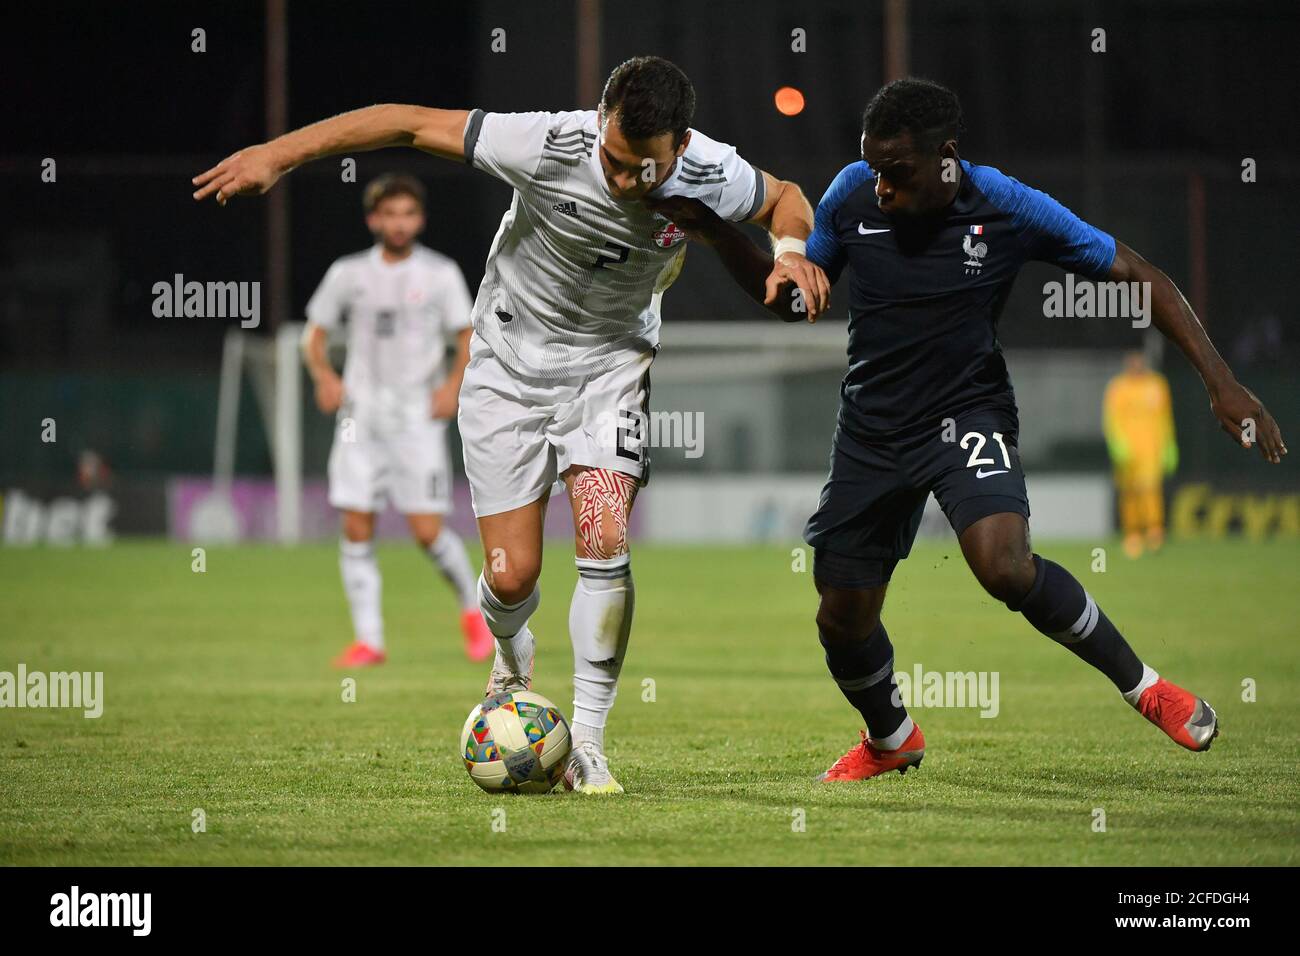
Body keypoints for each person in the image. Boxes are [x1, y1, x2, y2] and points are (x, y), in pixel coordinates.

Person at [194, 56, 830, 793]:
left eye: (642, 171)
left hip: (610, 369)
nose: (623, 181)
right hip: (505, 368)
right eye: (614, 160)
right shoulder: (547, 144)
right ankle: (510, 658)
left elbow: (786, 198)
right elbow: (405, 121)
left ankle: (587, 743)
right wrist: (277, 154)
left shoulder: (713, 171)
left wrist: (789, 251)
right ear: (600, 122)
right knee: (512, 575)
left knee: (603, 536)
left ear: (680, 147)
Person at [657, 77, 1285, 781]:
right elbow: (791, 303)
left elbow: (1138, 272)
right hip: (873, 429)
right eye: (872, 169)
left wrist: (1220, 381)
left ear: (946, 156)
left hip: (966, 413)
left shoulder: (1005, 204)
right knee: (840, 617)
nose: (882, 186)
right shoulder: (850, 197)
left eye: (897, 172)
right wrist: (718, 233)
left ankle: (1146, 688)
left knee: (1004, 565)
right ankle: (892, 736)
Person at [302, 174, 491, 668]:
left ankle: (473, 614)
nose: (399, 223)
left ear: (420, 219)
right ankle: (370, 640)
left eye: (408, 213)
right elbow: (314, 335)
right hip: (359, 417)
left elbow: (466, 336)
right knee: (356, 524)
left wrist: (452, 387)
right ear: (373, 220)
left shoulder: (440, 273)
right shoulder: (348, 273)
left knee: (428, 531)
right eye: (389, 214)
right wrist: (324, 376)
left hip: (416, 417)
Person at [1103, 352, 1178, 558]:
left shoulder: (1157, 385)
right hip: (1128, 452)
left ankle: (1155, 532)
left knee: (1151, 490)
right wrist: (1117, 444)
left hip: (1152, 450)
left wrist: (1169, 446)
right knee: (1130, 492)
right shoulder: (1118, 387)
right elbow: (1112, 419)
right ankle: (1133, 535)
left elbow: (1165, 418)